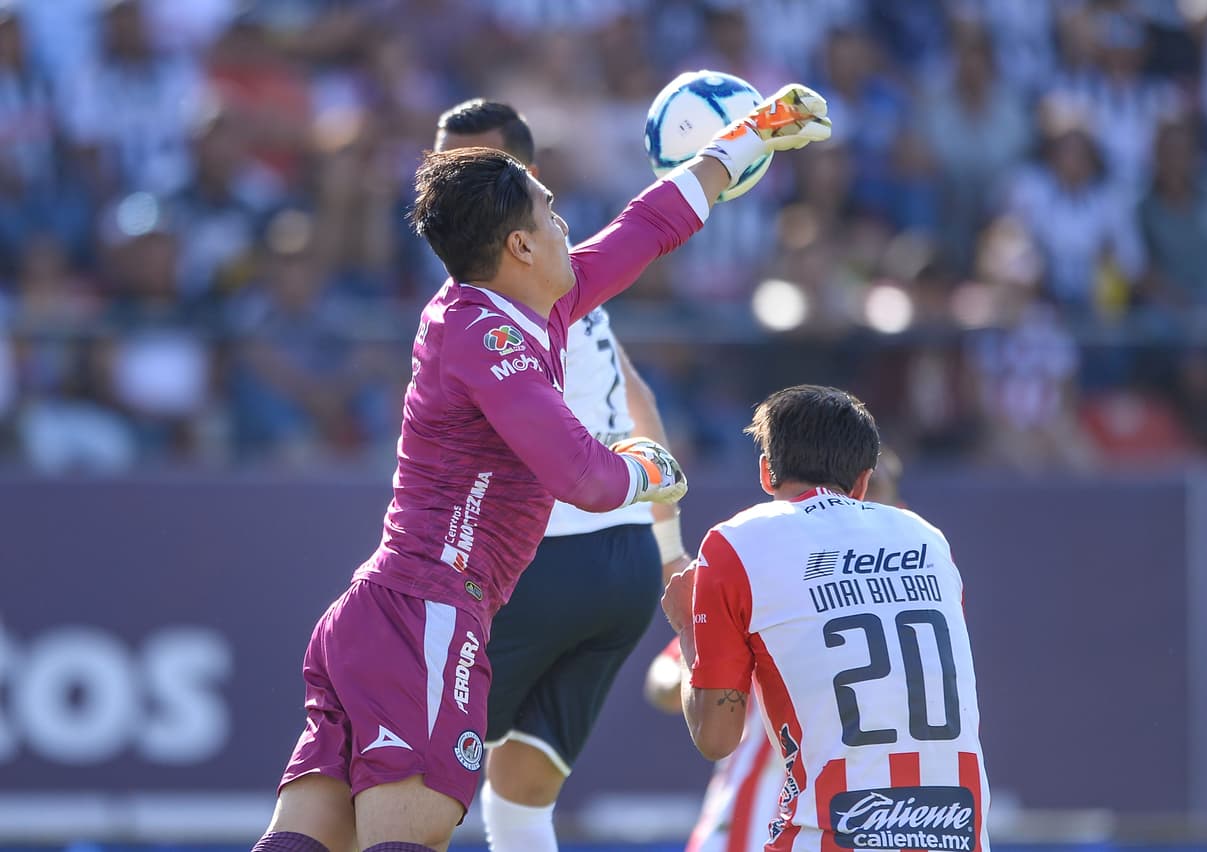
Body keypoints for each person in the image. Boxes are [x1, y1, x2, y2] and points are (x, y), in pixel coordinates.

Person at [253, 87, 832, 852]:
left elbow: (647, 228)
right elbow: (584, 478)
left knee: (309, 841)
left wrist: (744, 142)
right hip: (429, 615)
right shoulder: (483, 335)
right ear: (520, 246)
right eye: (550, 211)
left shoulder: (534, 306)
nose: (565, 223)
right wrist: (649, 469)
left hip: (388, 615)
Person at [432, 98, 693, 852]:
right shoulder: (569, 279)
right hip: (623, 571)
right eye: (441, 162)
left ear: (526, 178)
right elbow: (636, 398)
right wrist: (669, 551)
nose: (451, 176)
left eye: (473, 161)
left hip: (538, 559)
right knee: (521, 795)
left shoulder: (501, 297)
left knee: (403, 785)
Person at [661, 386, 988, 852]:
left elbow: (716, 738)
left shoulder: (737, 541)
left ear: (765, 473)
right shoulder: (928, 539)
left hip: (833, 833)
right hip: (956, 833)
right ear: (862, 481)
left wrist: (687, 627)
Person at [645, 446, 904, 852]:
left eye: (876, 492)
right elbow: (661, 681)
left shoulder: (906, 596)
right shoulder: (779, 581)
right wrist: (696, 662)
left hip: (849, 825)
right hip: (753, 821)